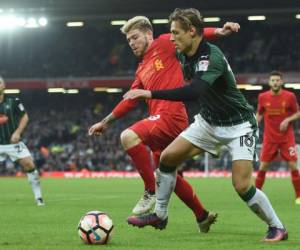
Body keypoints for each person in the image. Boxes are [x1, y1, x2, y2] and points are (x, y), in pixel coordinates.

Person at [124, 8, 287, 242]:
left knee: (242, 186)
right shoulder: (182, 52)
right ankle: (160, 214)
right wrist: (219, 30)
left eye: (175, 33)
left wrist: (148, 92)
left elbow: (194, 91)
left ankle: (277, 227)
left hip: (239, 125)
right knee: (167, 158)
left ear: (191, 32)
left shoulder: (213, 57)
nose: (171, 38)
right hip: (209, 122)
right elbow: (201, 35)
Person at [89, 16, 239, 231]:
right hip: (161, 121)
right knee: (169, 176)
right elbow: (130, 99)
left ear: (148, 34)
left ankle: (150, 191)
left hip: (171, 116)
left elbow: (191, 34)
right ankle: (202, 216)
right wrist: (105, 121)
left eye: (135, 37)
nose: (131, 43)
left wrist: (220, 32)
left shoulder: (163, 42)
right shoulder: (141, 70)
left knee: (128, 136)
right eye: (129, 40)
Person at [256, 71, 300, 205]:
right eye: (273, 80)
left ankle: (298, 196)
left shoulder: (290, 96)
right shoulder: (262, 97)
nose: (275, 82)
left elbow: (298, 113)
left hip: (287, 138)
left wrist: (287, 120)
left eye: (277, 80)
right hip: (270, 138)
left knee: (293, 165)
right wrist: (252, 127)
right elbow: (259, 115)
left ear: (281, 82)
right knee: (263, 167)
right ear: (269, 82)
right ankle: (255, 196)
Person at [0, 77, 44, 206]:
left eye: (0, 82)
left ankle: (38, 197)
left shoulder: (13, 101)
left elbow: (25, 116)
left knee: (29, 165)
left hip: (13, 143)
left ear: (4, 85)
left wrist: (18, 132)